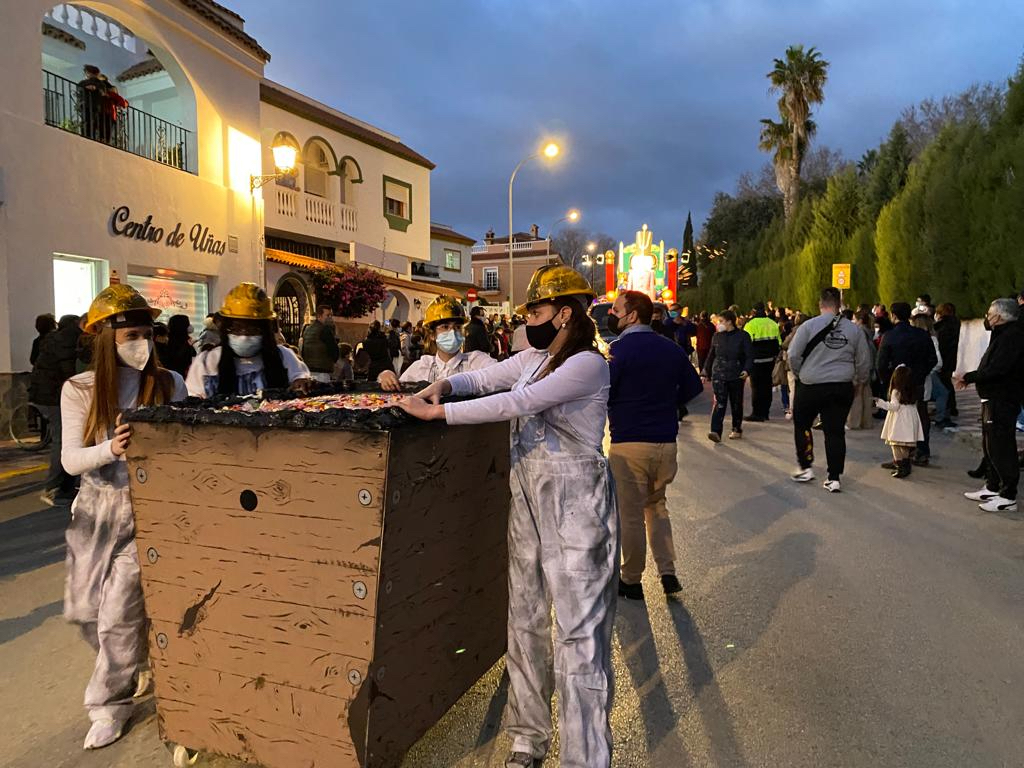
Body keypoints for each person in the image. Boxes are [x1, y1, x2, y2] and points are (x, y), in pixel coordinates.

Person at [397, 265, 617, 768]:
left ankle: (585, 758)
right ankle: (527, 740)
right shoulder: (533, 358)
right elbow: (482, 378)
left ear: (565, 314)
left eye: (535, 313)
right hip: (528, 499)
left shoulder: (588, 364)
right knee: (525, 620)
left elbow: (518, 402)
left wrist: (440, 413)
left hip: (578, 507)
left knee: (580, 635)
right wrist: (444, 388)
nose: (528, 322)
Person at [60, 285, 187, 750]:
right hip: (94, 512)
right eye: (131, 335)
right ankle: (135, 659)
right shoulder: (79, 389)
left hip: (147, 510)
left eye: (146, 334)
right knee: (84, 613)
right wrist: (110, 448)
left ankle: (108, 705)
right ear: (105, 340)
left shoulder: (170, 383)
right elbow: (71, 460)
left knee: (117, 613)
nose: (142, 343)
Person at [606, 290, 702, 600]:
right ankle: (667, 571)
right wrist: (667, 402)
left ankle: (631, 579)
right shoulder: (670, 349)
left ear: (632, 315)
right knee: (657, 505)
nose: (612, 314)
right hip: (666, 442)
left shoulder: (617, 351)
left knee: (631, 513)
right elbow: (693, 387)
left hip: (629, 443)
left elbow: (604, 391)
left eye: (616, 309)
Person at [787, 288, 872, 492]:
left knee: (802, 424)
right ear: (839, 305)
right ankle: (834, 478)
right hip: (841, 385)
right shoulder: (854, 330)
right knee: (835, 431)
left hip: (811, 384)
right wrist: (859, 381)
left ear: (820, 304)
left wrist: (799, 374)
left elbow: (793, 354)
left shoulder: (808, 326)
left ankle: (806, 466)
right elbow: (864, 361)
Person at [185, 283, 311, 398]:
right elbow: (191, 405)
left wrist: (302, 385)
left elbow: (303, 388)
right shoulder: (206, 363)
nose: (244, 336)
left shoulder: (284, 357)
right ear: (225, 329)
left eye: (253, 329)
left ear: (265, 330)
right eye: (237, 328)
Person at [957, 298, 1024, 513]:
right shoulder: (1002, 334)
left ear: (999, 316)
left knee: (1001, 445)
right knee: (990, 444)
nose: (987, 317)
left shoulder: (1013, 337)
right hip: (992, 398)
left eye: (989, 313)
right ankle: (993, 486)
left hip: (1002, 398)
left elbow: (997, 369)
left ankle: (1008, 495)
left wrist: (969, 377)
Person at [377, 296, 494, 389]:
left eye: (458, 327)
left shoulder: (476, 362)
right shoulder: (422, 366)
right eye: (445, 327)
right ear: (432, 335)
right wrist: (385, 376)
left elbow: (501, 373)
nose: (452, 332)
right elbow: (399, 389)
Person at [876, 302, 938, 467]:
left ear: (893, 315)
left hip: (897, 383)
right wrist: (920, 374)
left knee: (897, 419)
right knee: (920, 415)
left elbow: (881, 364)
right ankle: (921, 451)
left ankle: (901, 456)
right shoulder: (921, 334)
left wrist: (889, 381)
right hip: (917, 382)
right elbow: (933, 359)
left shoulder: (889, 336)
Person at [30, 314, 83, 506]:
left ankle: (65, 485)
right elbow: (69, 372)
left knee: (65, 437)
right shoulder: (68, 341)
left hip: (44, 395)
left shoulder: (54, 339)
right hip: (53, 396)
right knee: (62, 439)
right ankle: (54, 488)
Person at [700, 310, 752, 442]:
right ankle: (715, 431)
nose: (718, 324)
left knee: (736, 403)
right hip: (719, 373)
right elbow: (711, 354)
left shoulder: (743, 336)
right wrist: (705, 371)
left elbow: (749, 355)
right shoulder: (717, 336)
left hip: (736, 374)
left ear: (729, 322)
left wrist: (747, 370)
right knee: (719, 402)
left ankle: (736, 428)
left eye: (721, 321)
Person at [876, 365, 925, 479]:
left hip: (899, 420)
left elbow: (894, 407)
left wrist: (881, 403)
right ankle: (905, 464)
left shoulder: (896, 391)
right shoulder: (913, 391)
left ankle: (899, 464)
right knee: (905, 445)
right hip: (910, 418)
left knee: (895, 444)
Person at [743, 301, 782, 421]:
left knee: (756, 387)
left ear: (754, 311)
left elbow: (746, 344)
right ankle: (765, 412)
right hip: (770, 361)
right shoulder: (773, 323)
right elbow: (779, 343)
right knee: (766, 387)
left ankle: (757, 413)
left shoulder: (750, 325)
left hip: (756, 361)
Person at [847, 309, 878, 429]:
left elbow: (861, 352)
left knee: (857, 396)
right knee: (866, 395)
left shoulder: (859, 332)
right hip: (869, 365)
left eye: (854, 319)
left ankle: (854, 422)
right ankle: (866, 421)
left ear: (860, 320)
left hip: (862, 365)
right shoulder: (869, 332)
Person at [933, 302, 961, 424]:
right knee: (947, 383)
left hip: (943, 359)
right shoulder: (954, 324)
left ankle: (947, 407)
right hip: (950, 359)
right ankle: (950, 406)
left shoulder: (943, 327)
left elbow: (940, 344)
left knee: (944, 385)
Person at [301, 305, 340, 383]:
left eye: (331, 315)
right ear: (319, 316)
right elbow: (333, 349)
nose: (330, 318)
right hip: (322, 370)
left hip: (309, 369)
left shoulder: (307, 329)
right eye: (328, 315)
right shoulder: (325, 330)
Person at [160, 314, 196, 378]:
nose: (190, 326)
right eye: (188, 324)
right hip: (178, 376)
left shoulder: (169, 340)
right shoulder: (172, 341)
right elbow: (178, 359)